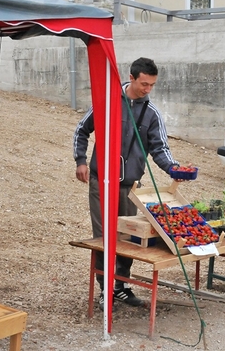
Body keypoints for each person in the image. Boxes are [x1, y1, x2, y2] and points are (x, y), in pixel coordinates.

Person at [73, 57, 179, 309]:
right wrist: (80, 161)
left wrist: (174, 169)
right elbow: (81, 130)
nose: (148, 90)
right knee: (103, 237)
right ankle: (104, 290)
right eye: (144, 84)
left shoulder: (151, 113)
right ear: (131, 78)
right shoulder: (107, 101)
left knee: (128, 237)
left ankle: (120, 287)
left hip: (130, 187)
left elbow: (160, 148)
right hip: (101, 183)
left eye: (152, 85)